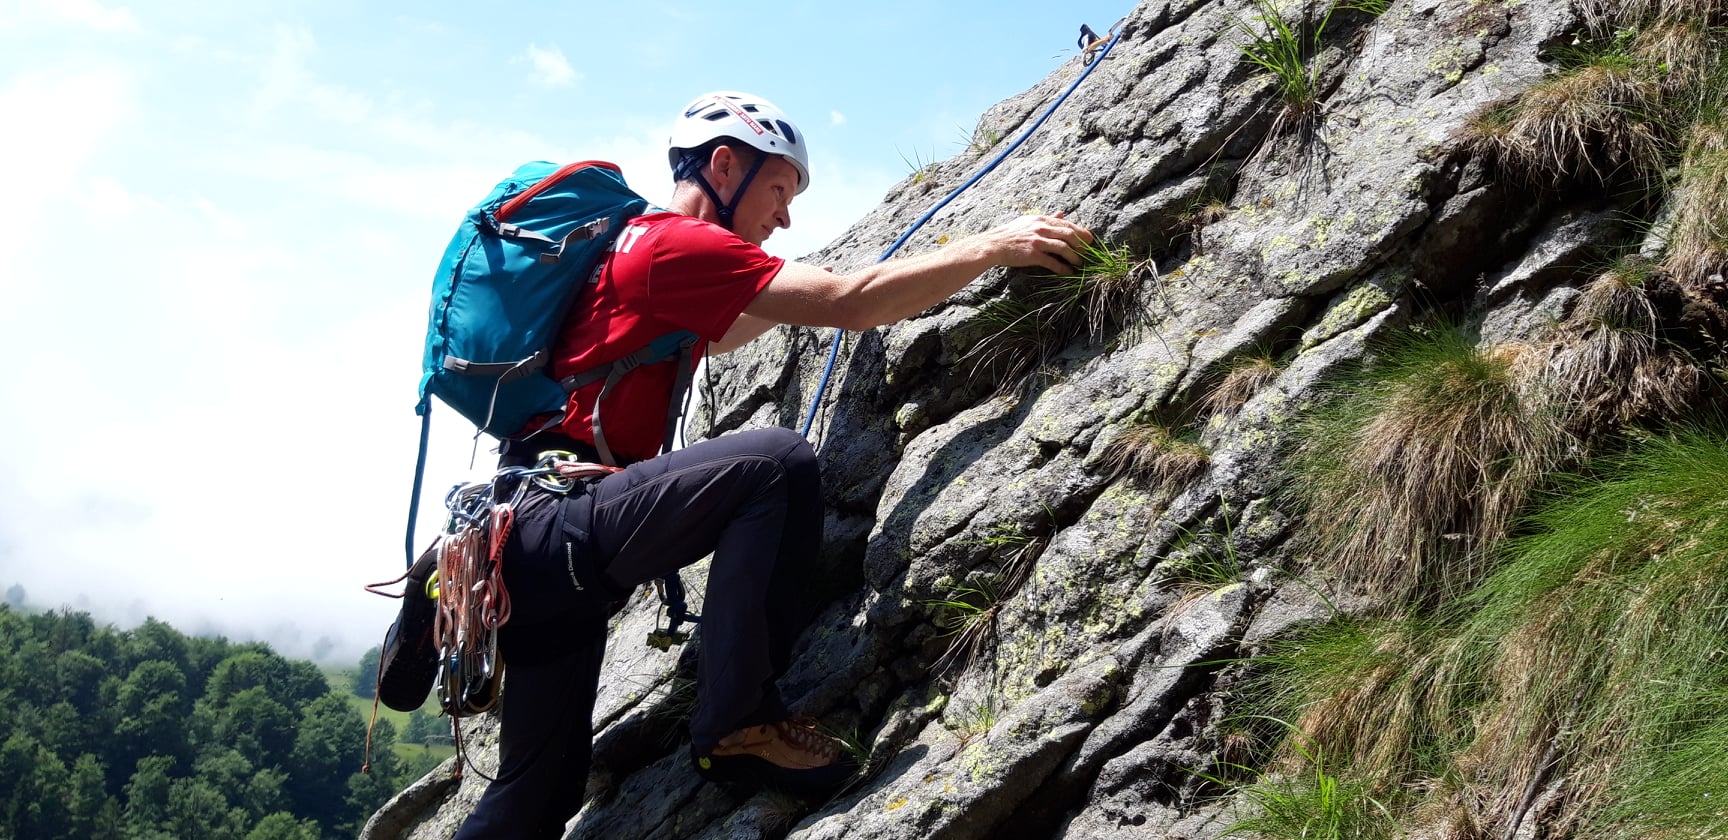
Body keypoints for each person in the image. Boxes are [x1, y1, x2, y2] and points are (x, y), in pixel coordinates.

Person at [444, 91, 1093, 838]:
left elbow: (727, 332)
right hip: (561, 528)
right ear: (724, 165)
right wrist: (989, 246)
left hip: (525, 550)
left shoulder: (636, 256)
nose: (783, 216)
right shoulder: (668, 245)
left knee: (537, 795)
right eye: (779, 189)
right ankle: (739, 724)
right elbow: (851, 305)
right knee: (777, 463)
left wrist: (839, 286)